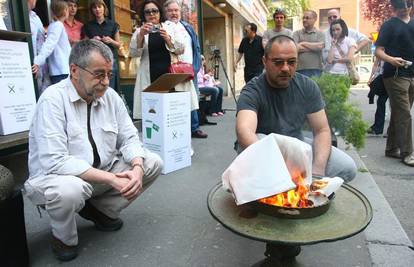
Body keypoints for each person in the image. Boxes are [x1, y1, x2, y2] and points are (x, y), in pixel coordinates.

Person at [23, 39, 163, 262]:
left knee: (152, 162)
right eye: (99, 74)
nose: (106, 82)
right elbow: (55, 161)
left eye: (109, 73)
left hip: (99, 174)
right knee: (70, 190)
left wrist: (136, 167)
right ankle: (63, 237)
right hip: (56, 179)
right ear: (74, 70)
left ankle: (100, 210)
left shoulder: (111, 97)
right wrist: (112, 179)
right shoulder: (52, 99)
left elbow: (129, 137)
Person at [236, 35, 357, 182]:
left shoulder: (307, 87)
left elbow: (322, 130)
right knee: (260, 139)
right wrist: (279, 167)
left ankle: (305, 188)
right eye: (278, 62)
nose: (286, 68)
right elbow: (244, 131)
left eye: (292, 62)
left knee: (347, 167)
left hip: (295, 143)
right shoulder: (252, 90)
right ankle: (269, 187)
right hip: (262, 148)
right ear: (264, 62)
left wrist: (318, 170)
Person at [375, 0, 414, 166]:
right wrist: (391, 60)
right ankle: (408, 153)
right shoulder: (389, 25)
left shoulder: (412, 23)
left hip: (412, 74)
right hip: (395, 75)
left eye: (407, 6)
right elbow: (378, 51)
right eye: (400, 7)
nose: (404, 10)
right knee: (405, 113)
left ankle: (391, 148)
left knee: (399, 113)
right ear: (394, 8)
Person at [164, 0, 208, 138]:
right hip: (174, 69)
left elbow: (196, 46)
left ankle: (194, 128)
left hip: (190, 69)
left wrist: (196, 65)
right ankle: (180, 130)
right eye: (170, 10)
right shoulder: (164, 27)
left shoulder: (188, 27)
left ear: (180, 12)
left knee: (192, 98)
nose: (174, 13)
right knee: (177, 101)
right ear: (165, 12)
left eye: (176, 10)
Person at [82, 0, 121, 89]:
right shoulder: (88, 26)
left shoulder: (113, 25)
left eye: (99, 7)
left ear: (104, 8)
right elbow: (84, 45)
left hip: (109, 61)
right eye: (94, 7)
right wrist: (92, 40)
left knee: (109, 89)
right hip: (93, 62)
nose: (97, 9)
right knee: (96, 88)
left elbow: (118, 45)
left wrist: (111, 40)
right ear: (92, 10)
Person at [32, 0, 71, 85]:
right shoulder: (58, 25)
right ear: (65, 11)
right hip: (61, 70)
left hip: (60, 70)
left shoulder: (54, 25)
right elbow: (49, 44)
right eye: (68, 9)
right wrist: (38, 61)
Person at [292, 10, 325, 77]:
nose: (304, 20)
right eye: (303, 18)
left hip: (316, 69)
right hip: (299, 69)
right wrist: (313, 48)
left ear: (315, 19)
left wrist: (303, 43)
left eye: (307, 18)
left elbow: (320, 46)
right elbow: (295, 48)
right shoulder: (296, 33)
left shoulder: (320, 33)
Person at [28, 0, 50, 93]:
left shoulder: (35, 17)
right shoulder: (23, 18)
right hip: (32, 67)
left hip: (43, 67)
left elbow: (41, 42)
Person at [367, 58, 388, 135]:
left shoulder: (394, 48)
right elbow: (376, 65)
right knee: (381, 102)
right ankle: (377, 128)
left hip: (395, 79)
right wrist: (371, 78)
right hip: (383, 79)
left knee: (395, 106)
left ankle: (393, 130)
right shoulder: (380, 50)